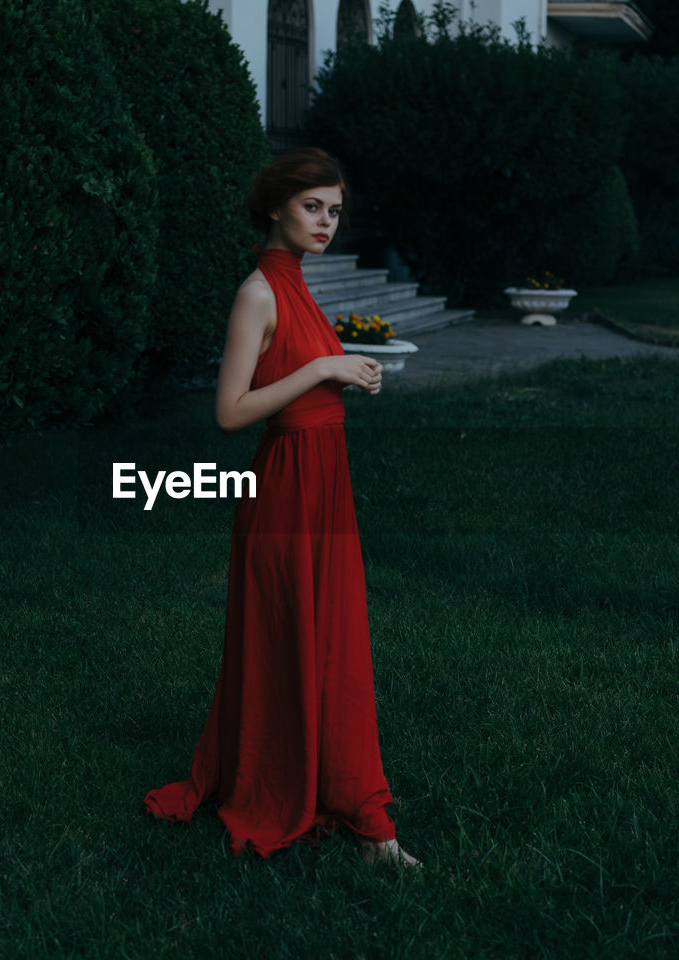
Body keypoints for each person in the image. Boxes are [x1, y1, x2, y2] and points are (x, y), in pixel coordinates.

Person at [144, 148, 419, 868]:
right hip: (286, 492)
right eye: (312, 207)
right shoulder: (258, 292)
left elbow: (303, 382)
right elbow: (230, 413)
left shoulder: (298, 285)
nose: (327, 222)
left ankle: (351, 799)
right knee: (297, 642)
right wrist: (325, 367)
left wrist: (346, 372)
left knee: (335, 644)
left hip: (325, 486)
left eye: (334, 211)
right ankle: (345, 811)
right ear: (275, 208)